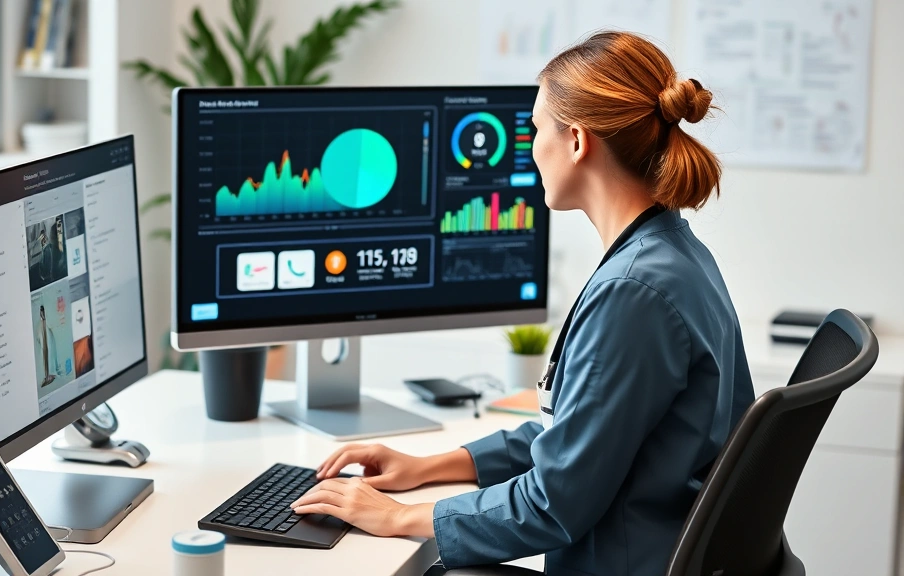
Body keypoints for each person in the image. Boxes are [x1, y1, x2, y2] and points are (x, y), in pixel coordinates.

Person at [290, 31, 755, 576]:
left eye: (536, 129)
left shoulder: (634, 293)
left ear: (577, 141)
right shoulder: (672, 254)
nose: (530, 146)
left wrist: (400, 517)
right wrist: (429, 466)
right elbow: (581, 432)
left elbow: (551, 503)